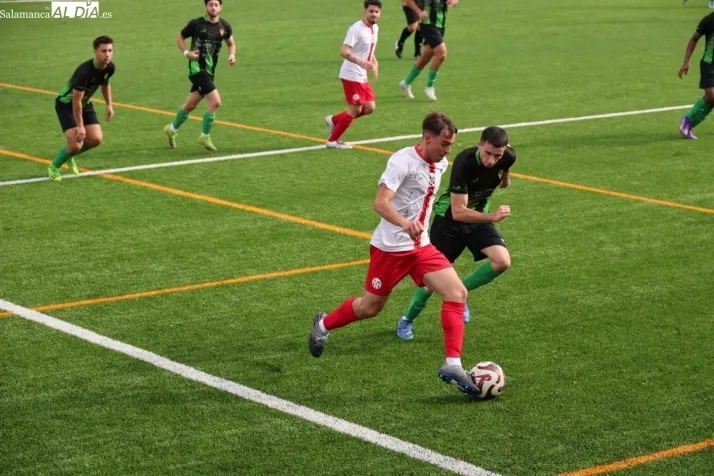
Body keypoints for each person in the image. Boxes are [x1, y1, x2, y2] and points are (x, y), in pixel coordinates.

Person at [309, 112, 481, 396]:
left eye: (451, 145)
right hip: (390, 249)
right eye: (444, 144)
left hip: (421, 247)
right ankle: (323, 324)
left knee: (457, 293)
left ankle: (453, 364)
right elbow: (380, 203)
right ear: (427, 138)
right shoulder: (402, 161)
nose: (448, 150)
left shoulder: (440, 164)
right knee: (369, 308)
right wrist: (404, 223)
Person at [397, 127, 515, 341]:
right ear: (479, 144)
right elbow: (459, 212)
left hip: (477, 219)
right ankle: (407, 319)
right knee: (430, 284)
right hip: (449, 222)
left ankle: (460, 292)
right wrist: (494, 216)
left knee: (502, 261)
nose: (491, 161)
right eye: (487, 153)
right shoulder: (465, 162)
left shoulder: (507, 156)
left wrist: (505, 166)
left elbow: (505, 183)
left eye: (497, 156)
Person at [163, 0, 236, 152]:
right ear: (205, 7)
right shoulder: (196, 24)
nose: (213, 8)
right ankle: (204, 137)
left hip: (209, 71)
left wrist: (232, 55)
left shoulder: (224, 26)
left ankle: (171, 129)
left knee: (191, 105)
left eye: (216, 5)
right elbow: (180, 38)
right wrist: (187, 53)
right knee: (215, 102)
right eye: (210, 4)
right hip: (197, 69)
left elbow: (231, 43)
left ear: (221, 7)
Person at [48, 36, 115, 182]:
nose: (107, 54)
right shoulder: (84, 72)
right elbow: (76, 101)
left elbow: (105, 84)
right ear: (95, 51)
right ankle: (54, 166)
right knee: (76, 144)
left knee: (96, 139)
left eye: (110, 50)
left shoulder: (110, 67)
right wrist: (80, 126)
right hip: (66, 105)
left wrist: (109, 105)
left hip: (85, 103)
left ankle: (69, 154)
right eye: (104, 51)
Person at [324, 0, 382, 150]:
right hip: (351, 74)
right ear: (365, 11)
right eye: (371, 11)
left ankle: (334, 120)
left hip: (362, 75)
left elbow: (369, 50)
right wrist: (360, 62)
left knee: (369, 107)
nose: (373, 14)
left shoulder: (375, 28)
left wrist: (375, 63)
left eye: (376, 12)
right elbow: (344, 51)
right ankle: (332, 140)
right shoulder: (356, 29)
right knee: (356, 108)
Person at [399, 0, 458, 101]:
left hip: (441, 26)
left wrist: (454, 2)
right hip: (428, 25)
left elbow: (455, 1)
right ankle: (430, 87)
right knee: (442, 55)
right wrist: (419, 12)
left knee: (425, 58)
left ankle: (406, 83)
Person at [679, 12, 714, 139]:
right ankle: (687, 120)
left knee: (713, 100)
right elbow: (694, 39)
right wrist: (686, 61)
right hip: (709, 63)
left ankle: (689, 125)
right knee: (711, 95)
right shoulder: (709, 20)